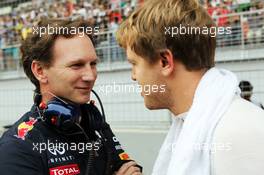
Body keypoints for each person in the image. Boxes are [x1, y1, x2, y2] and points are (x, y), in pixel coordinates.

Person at [116, 0, 264, 175]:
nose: (133, 76)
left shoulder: (238, 131)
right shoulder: (201, 123)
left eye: (134, 64)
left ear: (165, 61)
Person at [0, 19, 142, 175]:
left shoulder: (92, 120)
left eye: (93, 64)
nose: (90, 76)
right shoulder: (18, 146)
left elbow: (128, 168)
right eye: (77, 65)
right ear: (40, 70)